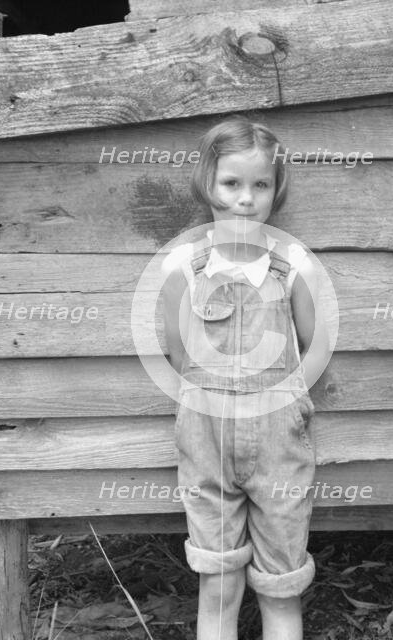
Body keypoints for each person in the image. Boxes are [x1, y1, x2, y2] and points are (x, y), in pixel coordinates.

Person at [161, 116, 330, 640]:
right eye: (232, 183)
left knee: (281, 584)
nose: (246, 198)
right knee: (217, 580)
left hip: (279, 440)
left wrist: (283, 402)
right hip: (205, 440)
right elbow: (174, 349)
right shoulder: (186, 266)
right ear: (206, 182)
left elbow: (315, 347)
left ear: (277, 190)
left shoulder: (293, 264)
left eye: (261, 184)